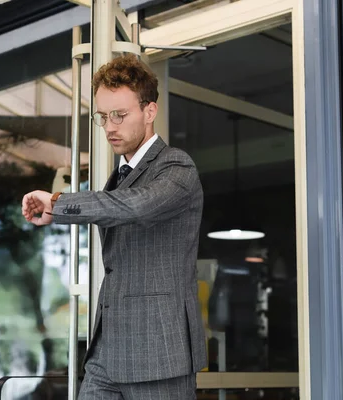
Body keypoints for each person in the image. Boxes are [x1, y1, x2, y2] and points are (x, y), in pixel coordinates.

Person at [21, 54, 206, 400]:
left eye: (119, 115)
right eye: (103, 117)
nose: (109, 126)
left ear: (150, 111)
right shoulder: (119, 176)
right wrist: (56, 214)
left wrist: (58, 204)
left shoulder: (177, 168)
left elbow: (131, 206)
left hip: (159, 353)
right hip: (108, 351)